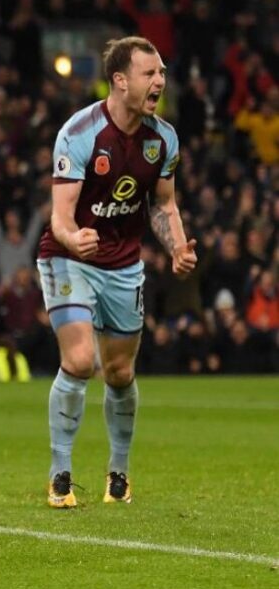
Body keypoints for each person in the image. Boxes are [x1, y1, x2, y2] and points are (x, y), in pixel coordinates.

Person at [37, 36, 196, 508]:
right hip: (69, 258)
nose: (160, 81)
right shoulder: (80, 133)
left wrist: (176, 247)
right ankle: (60, 474)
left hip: (124, 265)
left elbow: (163, 204)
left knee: (120, 372)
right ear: (120, 80)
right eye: (150, 73)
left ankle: (119, 474)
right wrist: (73, 239)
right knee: (80, 360)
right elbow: (60, 217)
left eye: (162, 72)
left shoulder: (163, 139)